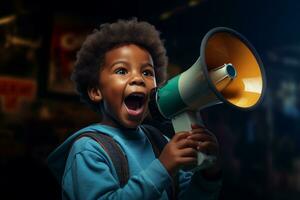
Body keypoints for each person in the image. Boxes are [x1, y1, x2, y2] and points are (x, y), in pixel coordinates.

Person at [47, 18, 222, 200]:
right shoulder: (88, 149)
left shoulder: (162, 142)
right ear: (96, 91)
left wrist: (209, 174)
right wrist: (162, 168)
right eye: (122, 71)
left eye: (147, 72)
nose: (138, 79)